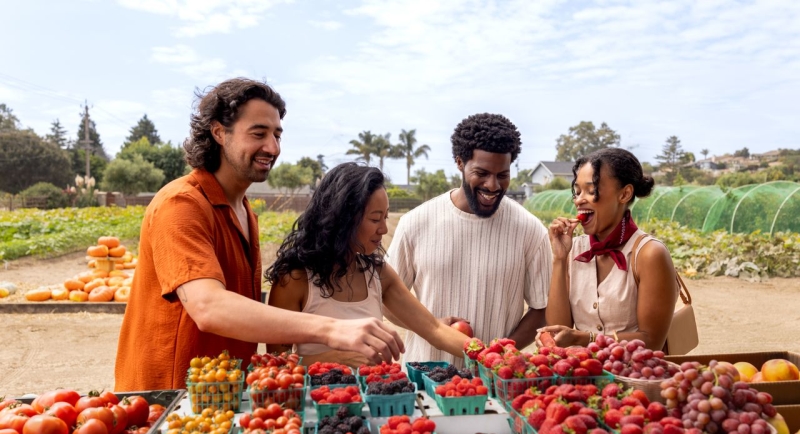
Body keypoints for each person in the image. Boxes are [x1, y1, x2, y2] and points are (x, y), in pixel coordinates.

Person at [114, 78, 403, 390]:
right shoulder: (181, 204)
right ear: (219, 132)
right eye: (258, 134)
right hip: (172, 397)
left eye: (277, 135)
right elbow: (208, 307)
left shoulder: (245, 212)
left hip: (221, 393)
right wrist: (332, 330)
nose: (272, 147)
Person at [386, 113, 552, 366]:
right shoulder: (415, 222)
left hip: (494, 385)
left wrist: (503, 352)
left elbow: (542, 309)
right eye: (482, 173)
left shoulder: (530, 229)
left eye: (502, 175)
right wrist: (430, 326)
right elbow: (388, 300)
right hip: (424, 378)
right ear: (460, 163)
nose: (493, 185)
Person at [266, 163, 469, 367]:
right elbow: (275, 364)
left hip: (374, 397)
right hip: (317, 398)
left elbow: (434, 330)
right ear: (343, 220)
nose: (383, 228)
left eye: (385, 217)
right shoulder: (294, 280)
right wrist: (336, 359)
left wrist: (492, 355)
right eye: (375, 219)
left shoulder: (379, 274)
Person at [538, 147, 678, 350]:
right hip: (582, 374)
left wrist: (584, 339)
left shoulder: (649, 254)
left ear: (625, 194)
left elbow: (652, 341)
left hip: (634, 376)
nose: (579, 199)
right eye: (577, 192)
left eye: (591, 190)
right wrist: (559, 259)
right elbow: (557, 330)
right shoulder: (573, 250)